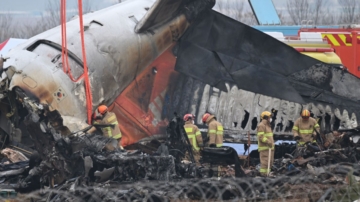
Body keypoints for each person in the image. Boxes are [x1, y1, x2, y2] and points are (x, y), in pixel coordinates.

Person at [257, 111, 274, 176]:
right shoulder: (261, 125)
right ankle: (263, 175)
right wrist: (268, 142)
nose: (270, 119)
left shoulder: (268, 126)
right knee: (265, 163)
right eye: (269, 117)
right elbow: (261, 137)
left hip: (270, 148)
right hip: (264, 148)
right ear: (266, 118)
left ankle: (268, 174)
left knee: (270, 163)